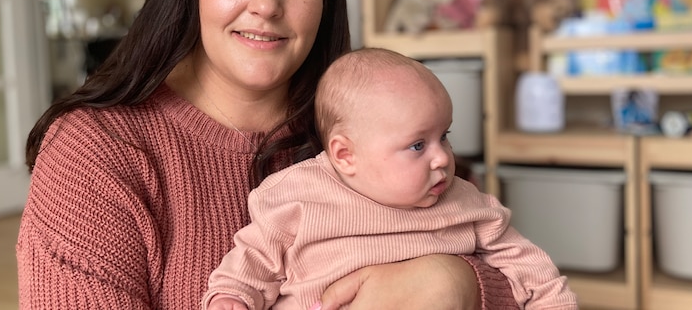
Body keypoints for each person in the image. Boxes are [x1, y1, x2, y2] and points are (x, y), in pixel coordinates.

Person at [17, 0, 519, 309]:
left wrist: (455, 283)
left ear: (327, 0)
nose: (267, 5)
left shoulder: (375, 126)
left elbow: (513, 269)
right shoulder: (95, 151)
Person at [204, 48, 577, 310]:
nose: (442, 158)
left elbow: (531, 268)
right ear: (345, 155)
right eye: (418, 145)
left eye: (443, 136)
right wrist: (232, 297)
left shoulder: (466, 202)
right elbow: (253, 259)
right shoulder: (297, 196)